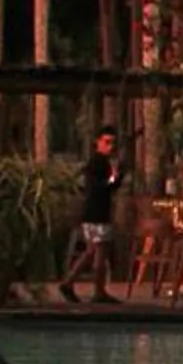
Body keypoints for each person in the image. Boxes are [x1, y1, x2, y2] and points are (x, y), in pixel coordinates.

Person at [59, 125, 122, 302]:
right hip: (96, 212)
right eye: (107, 142)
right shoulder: (96, 162)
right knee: (96, 250)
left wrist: (116, 177)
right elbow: (97, 187)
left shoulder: (106, 162)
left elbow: (111, 187)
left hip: (99, 211)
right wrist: (112, 179)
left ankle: (93, 289)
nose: (111, 146)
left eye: (113, 143)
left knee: (96, 251)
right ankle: (75, 284)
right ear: (98, 143)